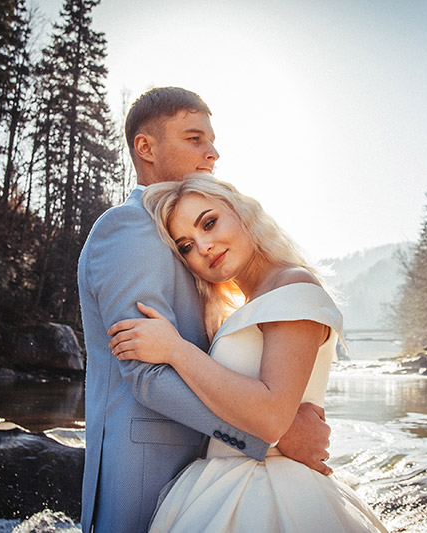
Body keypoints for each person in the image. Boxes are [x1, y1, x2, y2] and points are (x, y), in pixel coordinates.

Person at [77, 87, 332, 533]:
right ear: (146, 147)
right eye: (195, 138)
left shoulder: (178, 233)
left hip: (210, 474)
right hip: (147, 467)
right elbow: (144, 371)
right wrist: (275, 434)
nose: (212, 153)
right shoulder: (130, 226)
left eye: (211, 141)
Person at [108, 176, 389, 532]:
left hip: (273, 493)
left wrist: (175, 350)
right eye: (186, 246)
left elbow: (272, 417)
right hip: (219, 485)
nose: (204, 247)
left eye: (209, 223)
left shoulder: (293, 285)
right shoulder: (248, 305)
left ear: (242, 213)